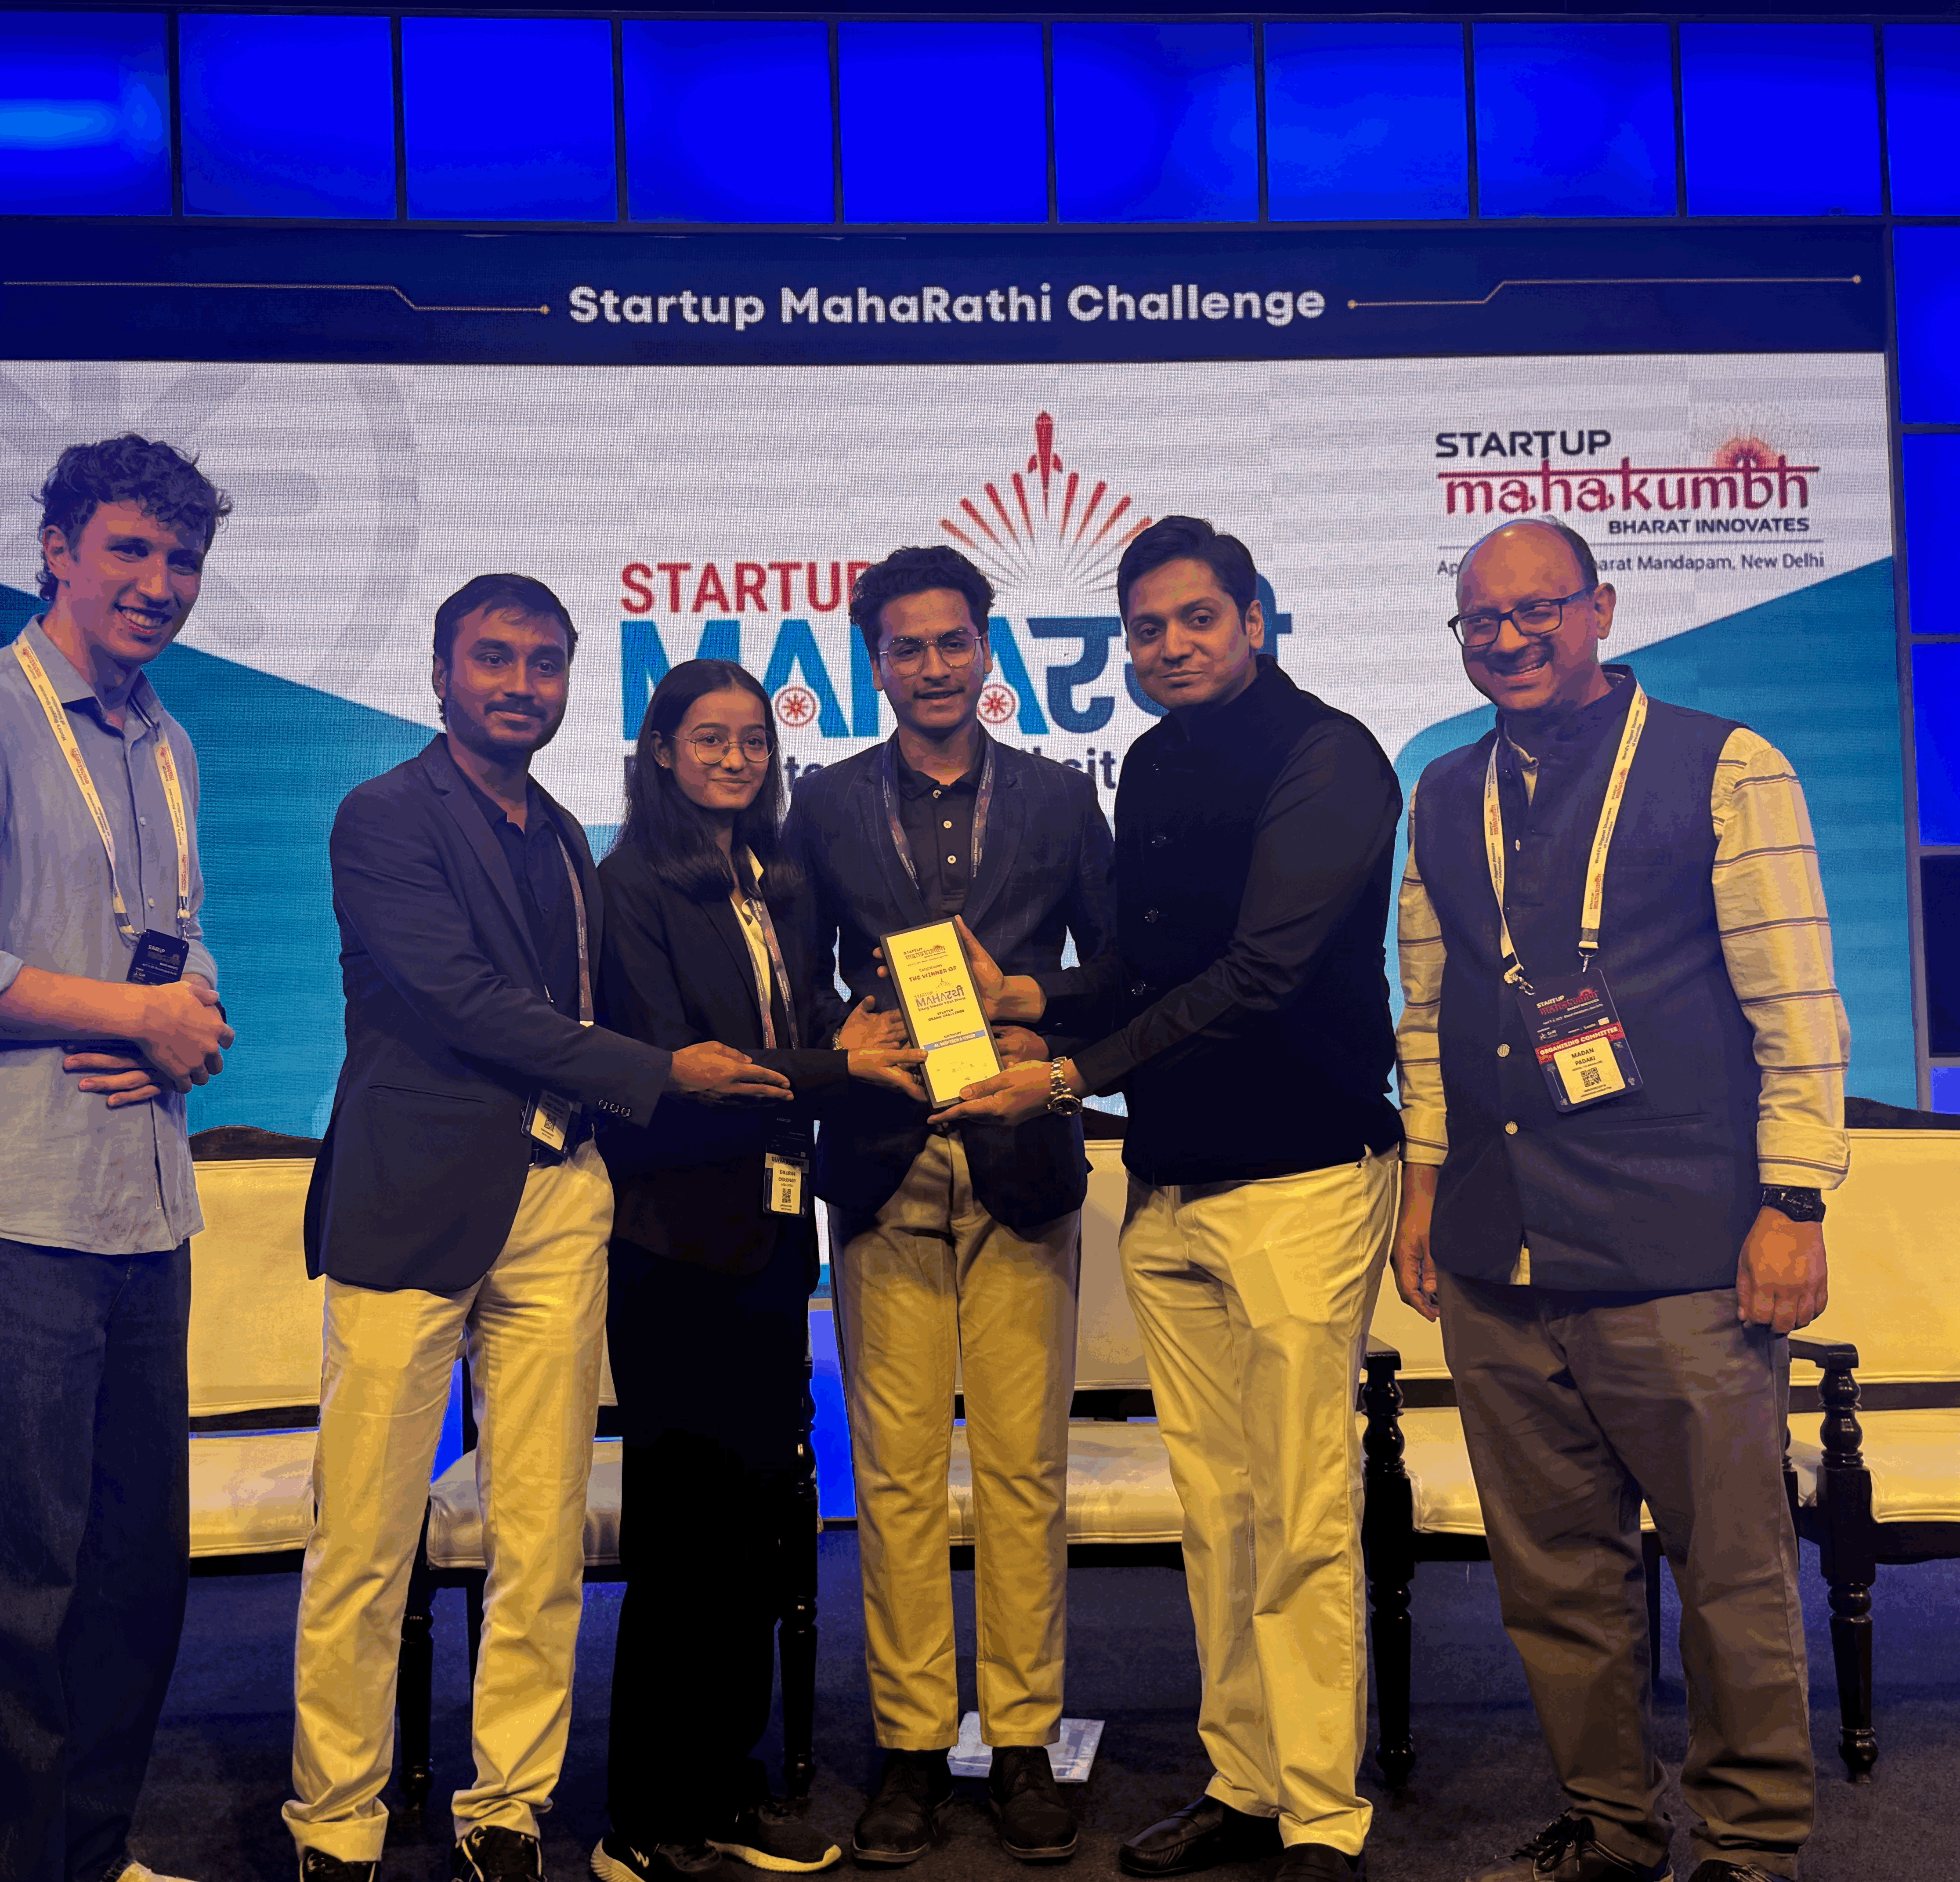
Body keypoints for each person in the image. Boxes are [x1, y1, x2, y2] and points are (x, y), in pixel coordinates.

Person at [285, 576, 788, 1882]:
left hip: (563, 1199)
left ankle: (505, 1806)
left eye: (545, 663)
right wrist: (662, 1068)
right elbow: (460, 1000)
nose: (520, 683)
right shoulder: (382, 816)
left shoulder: (568, 833)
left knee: (543, 1527)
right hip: (413, 1201)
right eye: (494, 659)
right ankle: (335, 1823)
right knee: (367, 1536)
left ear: (572, 682)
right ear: (443, 668)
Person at [1388, 518, 1844, 1882]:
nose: (1510, 638)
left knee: (1733, 1574)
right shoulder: (1440, 786)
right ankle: (1609, 1823)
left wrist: (1796, 1196)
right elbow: (1427, 1009)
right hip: (1495, 1245)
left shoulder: (1727, 763)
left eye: (1539, 610)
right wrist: (1422, 1185)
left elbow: (1797, 998)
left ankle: (1753, 1844)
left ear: (1602, 608)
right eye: (1481, 620)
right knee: (1556, 1580)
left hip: (1679, 1244)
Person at [948, 515, 1403, 1882]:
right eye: (1147, 629)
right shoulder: (1146, 763)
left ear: (1255, 618)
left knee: (1305, 1508)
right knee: (1218, 1509)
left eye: (1198, 619)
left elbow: (1262, 971)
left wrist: (1073, 1067)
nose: (1171, 646)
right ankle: (1246, 1779)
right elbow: (1151, 966)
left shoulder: (1332, 755)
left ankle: (1324, 1811)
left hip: (1306, 1180)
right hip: (1172, 1185)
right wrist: (1030, 999)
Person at [0, 433, 236, 1882]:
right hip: (10, 1211)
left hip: (146, 1205)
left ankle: (89, 1853)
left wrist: (183, 1014)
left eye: (183, 559)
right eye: (130, 549)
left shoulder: (174, 741)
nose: (160, 583)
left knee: (133, 1583)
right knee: (4, 1592)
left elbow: (176, 944)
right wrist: (122, 1010)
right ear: (58, 551)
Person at [783, 544, 1113, 1868]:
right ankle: (915, 1744)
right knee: (902, 1478)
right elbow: (790, 982)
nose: (932, 667)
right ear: (875, 662)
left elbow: (1117, 971)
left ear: (989, 653)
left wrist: (1035, 1022)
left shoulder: (1054, 798)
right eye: (906, 648)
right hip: (881, 1161)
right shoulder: (822, 805)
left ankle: (1023, 1739)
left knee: (1026, 1470)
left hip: (1022, 1159)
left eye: (953, 643)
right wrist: (841, 1035)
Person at [591, 659, 927, 1882]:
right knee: (683, 1533)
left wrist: (882, 1023)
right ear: (663, 751)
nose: (735, 758)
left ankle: (727, 1785)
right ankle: (644, 1816)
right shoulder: (627, 885)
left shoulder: (775, 881)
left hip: (773, 1239)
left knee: (754, 1526)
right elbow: (703, 1061)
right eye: (709, 739)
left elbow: (807, 1022)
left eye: (751, 740)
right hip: (673, 1242)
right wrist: (853, 1068)